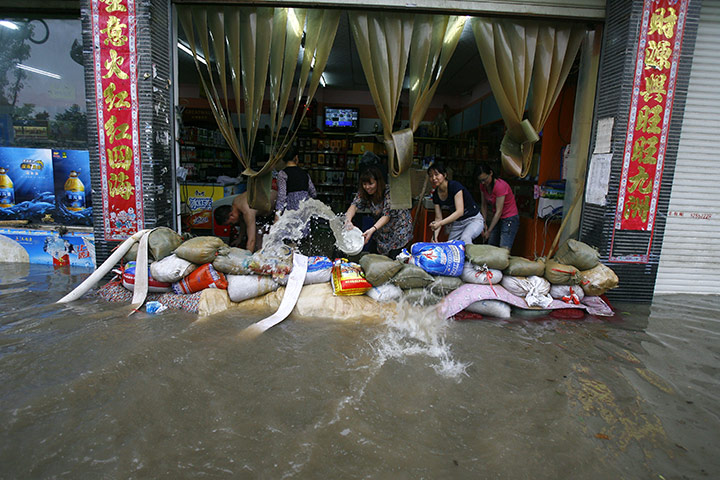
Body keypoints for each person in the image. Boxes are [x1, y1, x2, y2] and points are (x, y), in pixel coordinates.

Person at [344, 165, 412, 258]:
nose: (367, 187)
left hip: (399, 230)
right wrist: (348, 221)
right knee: (373, 256)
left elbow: (387, 216)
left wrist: (372, 230)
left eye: (370, 184)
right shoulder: (364, 193)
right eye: (364, 184)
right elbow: (354, 206)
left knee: (394, 260)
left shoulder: (389, 192)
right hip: (382, 230)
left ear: (378, 182)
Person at [427, 161, 484, 244]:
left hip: (473, 219)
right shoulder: (436, 194)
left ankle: (470, 257)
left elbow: (459, 212)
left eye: (436, 174)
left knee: (465, 238)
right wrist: (434, 236)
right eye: (431, 176)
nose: (434, 178)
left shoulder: (455, 186)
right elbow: (438, 218)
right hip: (458, 223)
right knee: (450, 246)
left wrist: (440, 223)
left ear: (445, 175)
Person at [477, 163, 519, 250]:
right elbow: (483, 205)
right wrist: (483, 223)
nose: (483, 183)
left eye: (485, 179)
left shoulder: (500, 186)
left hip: (509, 218)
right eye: (481, 180)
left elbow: (499, 211)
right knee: (491, 245)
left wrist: (489, 231)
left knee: (504, 248)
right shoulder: (482, 186)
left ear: (491, 173)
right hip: (497, 217)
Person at [275, 146, 316, 221]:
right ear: (296, 158)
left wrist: (277, 215)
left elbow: (282, 196)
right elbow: (313, 193)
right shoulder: (305, 174)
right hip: (304, 211)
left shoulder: (282, 174)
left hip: (290, 211)